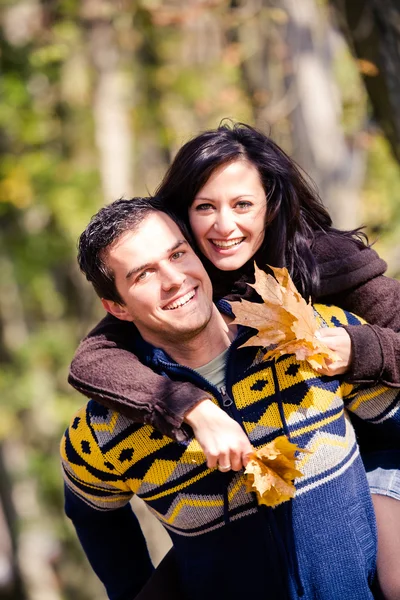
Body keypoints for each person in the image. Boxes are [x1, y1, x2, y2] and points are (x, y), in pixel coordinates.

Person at [68, 123, 400, 598]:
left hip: (369, 468)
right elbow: (90, 362)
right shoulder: (115, 403)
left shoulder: (321, 285)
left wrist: (361, 349)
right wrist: (190, 408)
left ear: (271, 205)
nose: (224, 227)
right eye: (205, 207)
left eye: (242, 204)